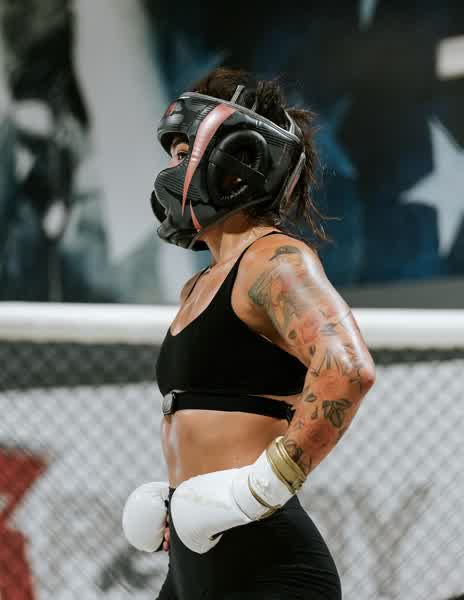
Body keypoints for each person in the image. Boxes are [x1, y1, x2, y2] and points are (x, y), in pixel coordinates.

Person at [122, 67, 376, 599]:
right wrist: (175, 495)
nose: (169, 171)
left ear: (235, 161)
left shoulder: (274, 260)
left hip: (268, 569)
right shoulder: (198, 286)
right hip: (193, 564)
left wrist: (260, 488)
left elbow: (347, 370)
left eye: (181, 152)